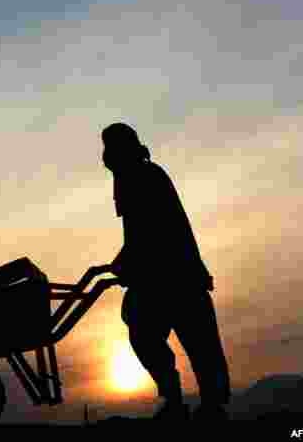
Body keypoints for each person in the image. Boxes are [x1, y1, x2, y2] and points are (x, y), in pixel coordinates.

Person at [92, 122, 231, 422]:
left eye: (109, 148)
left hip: (173, 274)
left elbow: (150, 231)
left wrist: (125, 263)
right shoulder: (134, 174)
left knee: (193, 340)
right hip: (160, 274)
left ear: (121, 149)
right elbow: (137, 234)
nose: (104, 156)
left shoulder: (140, 176)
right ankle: (187, 402)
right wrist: (124, 261)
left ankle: (205, 406)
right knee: (152, 332)